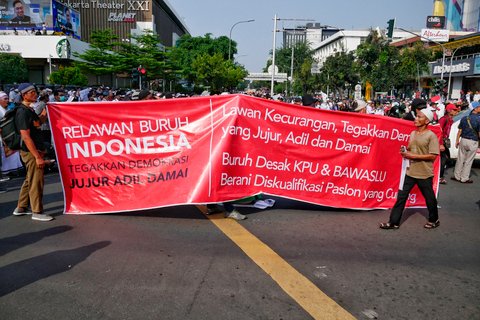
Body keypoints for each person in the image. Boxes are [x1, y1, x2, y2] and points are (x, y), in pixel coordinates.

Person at [380, 109, 440, 229]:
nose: (416, 119)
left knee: (429, 198)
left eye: (419, 117)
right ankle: (393, 222)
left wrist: (413, 156)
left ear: (427, 121)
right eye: (416, 116)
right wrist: (405, 152)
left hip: (424, 173)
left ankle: (434, 219)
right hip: (410, 172)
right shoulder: (413, 134)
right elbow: (411, 150)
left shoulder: (431, 136)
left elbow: (433, 155)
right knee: (401, 197)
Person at [13, 83, 53, 221]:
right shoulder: (22, 112)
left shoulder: (28, 110)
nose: (35, 94)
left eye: (35, 92)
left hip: (34, 150)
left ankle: (21, 207)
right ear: (24, 95)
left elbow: (37, 124)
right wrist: (37, 156)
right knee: (36, 181)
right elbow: (25, 136)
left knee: (30, 179)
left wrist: (45, 112)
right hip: (31, 152)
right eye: (32, 92)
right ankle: (37, 212)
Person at [451, 102, 480, 183]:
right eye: (479, 107)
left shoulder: (464, 118)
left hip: (463, 140)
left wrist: (457, 140)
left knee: (460, 159)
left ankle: (457, 176)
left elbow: (460, 131)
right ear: (475, 108)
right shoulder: (479, 119)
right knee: (469, 160)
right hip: (473, 142)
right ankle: (464, 178)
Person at [438, 104, 459, 184]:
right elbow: (439, 131)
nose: (456, 112)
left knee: (444, 159)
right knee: (442, 160)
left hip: (444, 141)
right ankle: (439, 177)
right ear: (449, 111)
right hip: (440, 142)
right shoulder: (443, 119)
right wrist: (440, 144)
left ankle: (439, 176)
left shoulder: (450, 119)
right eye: (454, 110)